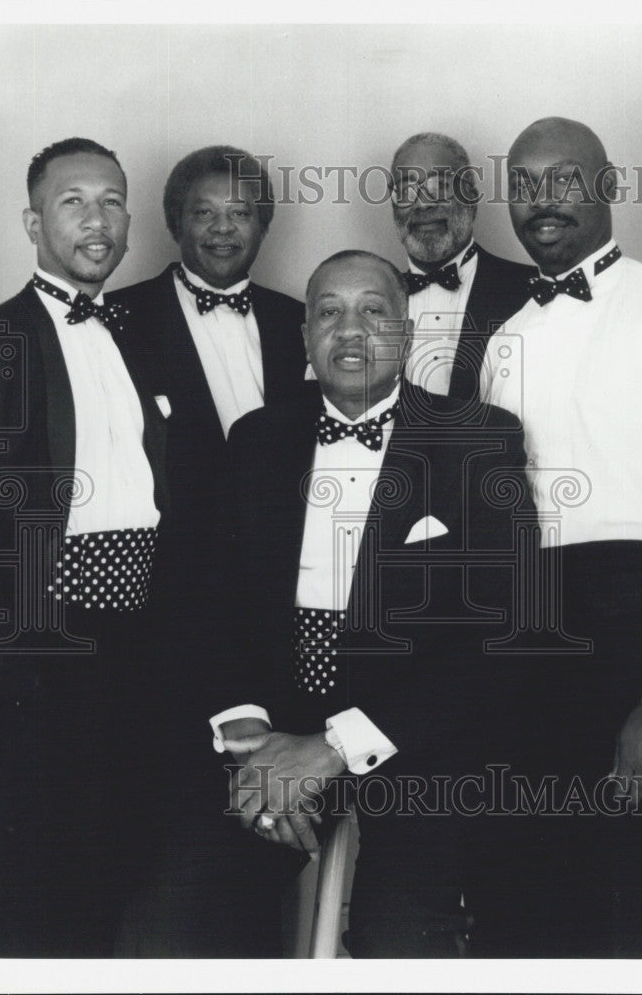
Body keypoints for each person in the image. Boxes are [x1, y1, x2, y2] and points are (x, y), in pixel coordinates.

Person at [118, 250, 534, 957]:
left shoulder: (476, 439)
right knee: (170, 923)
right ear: (305, 336)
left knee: (399, 939)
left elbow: (502, 635)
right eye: (328, 312)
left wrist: (334, 749)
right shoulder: (255, 439)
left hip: (412, 744)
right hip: (274, 732)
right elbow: (209, 604)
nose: (350, 331)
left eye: (373, 310)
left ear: (405, 333)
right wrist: (250, 739)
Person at [480, 116, 642, 957]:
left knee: (638, 886)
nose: (541, 202)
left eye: (562, 180)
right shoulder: (504, 342)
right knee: (534, 883)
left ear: (607, 186)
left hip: (636, 627)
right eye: (524, 184)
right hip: (524, 633)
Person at [0, 138, 169, 955]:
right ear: (32, 221)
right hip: (41, 650)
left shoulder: (138, 334)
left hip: (141, 642)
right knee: (34, 875)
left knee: (118, 859)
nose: (98, 219)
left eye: (113, 200)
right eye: (73, 201)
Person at [108, 146, 306, 765]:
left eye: (241, 213)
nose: (224, 229)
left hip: (283, 611)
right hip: (164, 613)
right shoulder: (118, 320)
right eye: (205, 213)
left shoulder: (302, 321)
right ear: (175, 222)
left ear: (263, 226)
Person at [389, 132, 533, 403]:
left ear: (471, 198)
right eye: (407, 189)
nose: (423, 203)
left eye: (441, 187)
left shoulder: (533, 291)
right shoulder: (371, 299)